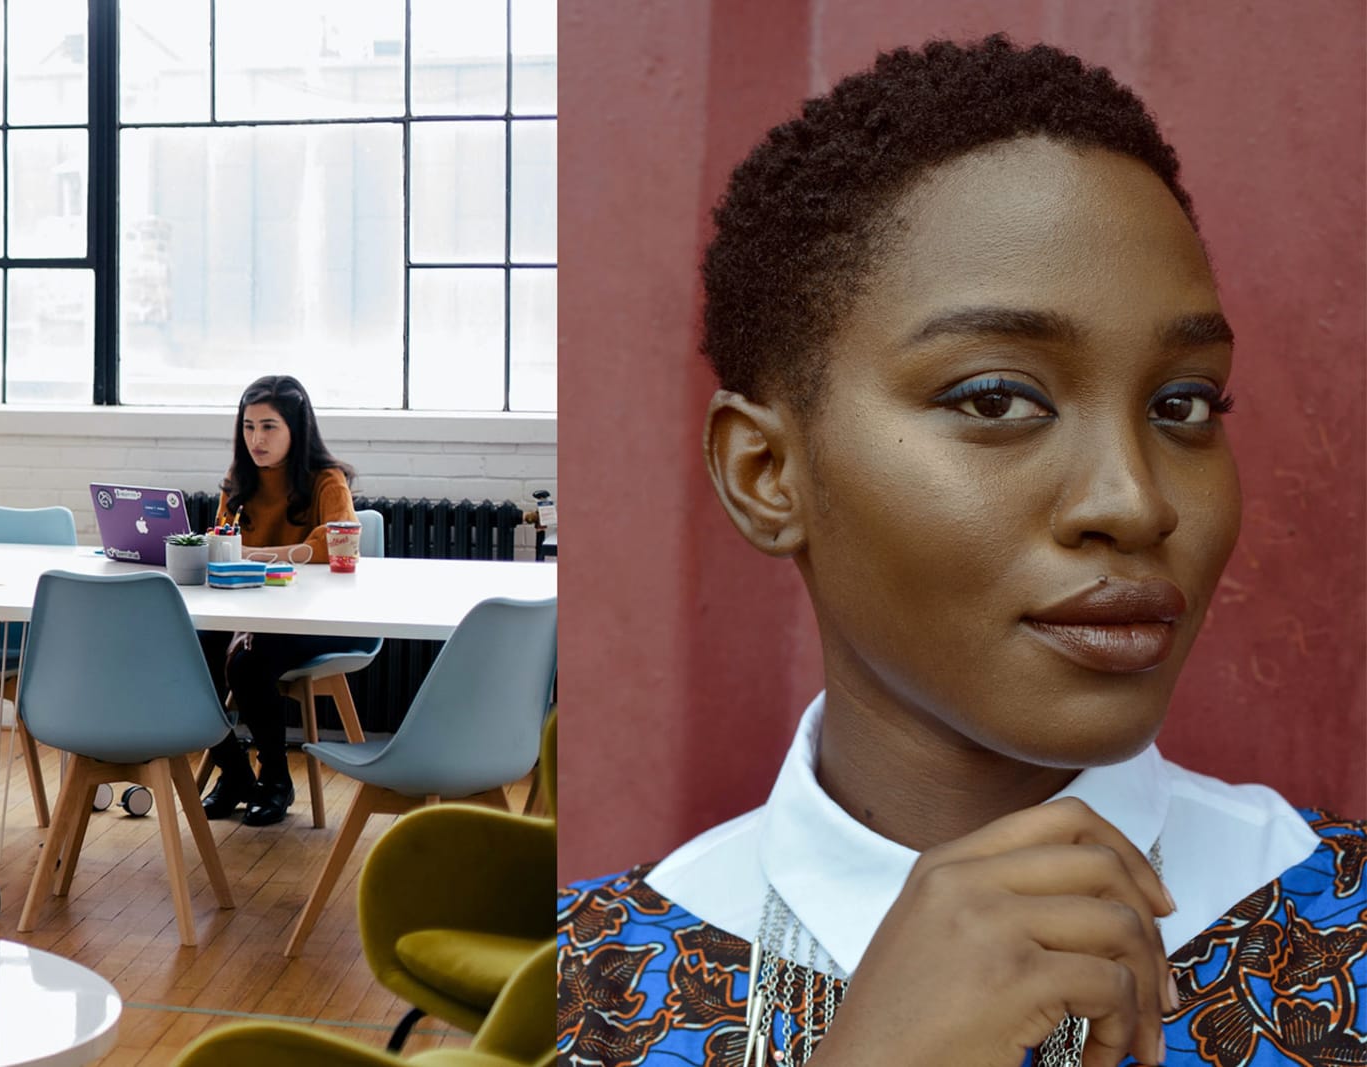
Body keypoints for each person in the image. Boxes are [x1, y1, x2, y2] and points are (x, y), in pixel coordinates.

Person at [557, 36, 1367, 1066]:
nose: (1135, 500)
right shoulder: (586, 984)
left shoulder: (1343, 915)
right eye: (996, 398)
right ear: (768, 473)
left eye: (1184, 403)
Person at [197, 374, 369, 827]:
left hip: (314, 618)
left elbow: (337, 542)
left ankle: (275, 777)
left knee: (246, 663)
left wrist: (256, 555)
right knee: (188, 655)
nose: (257, 438)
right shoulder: (238, 481)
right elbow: (222, 541)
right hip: (246, 611)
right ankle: (233, 771)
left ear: (297, 429)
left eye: (269, 427)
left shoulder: (326, 481)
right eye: (249, 427)